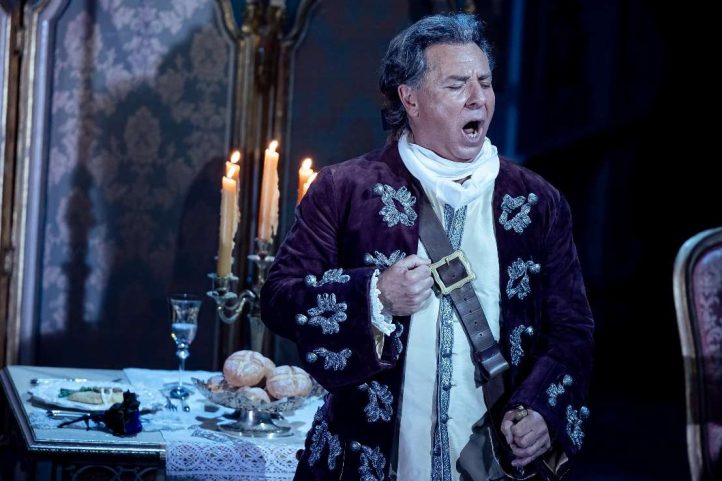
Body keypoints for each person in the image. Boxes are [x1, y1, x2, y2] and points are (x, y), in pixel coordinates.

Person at [261, 12, 594, 481]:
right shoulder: (344, 189)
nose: (478, 98)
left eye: (485, 82)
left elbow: (571, 330)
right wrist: (375, 296)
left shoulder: (538, 202)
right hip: (368, 462)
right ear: (410, 99)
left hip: (493, 465)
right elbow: (279, 299)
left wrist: (541, 410)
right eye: (457, 85)